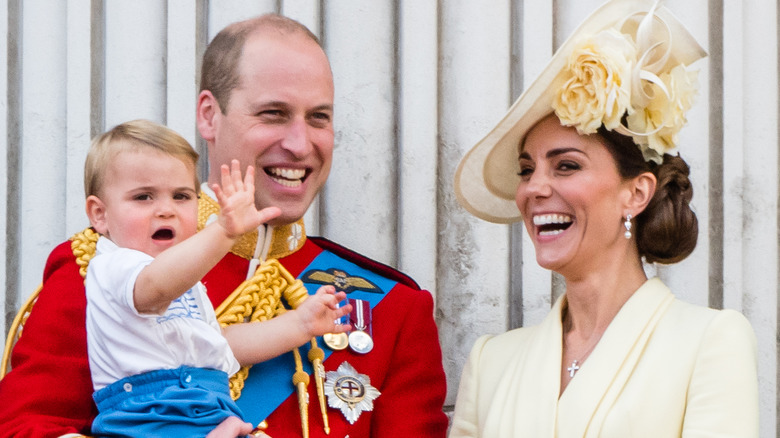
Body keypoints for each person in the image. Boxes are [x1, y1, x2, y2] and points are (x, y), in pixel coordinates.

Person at [0, 13, 448, 438]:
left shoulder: (391, 309)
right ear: (209, 115)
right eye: (273, 113)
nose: (300, 143)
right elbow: (24, 426)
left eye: (319, 117)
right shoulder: (103, 265)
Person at [449, 0, 759, 437]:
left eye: (566, 166)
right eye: (526, 170)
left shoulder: (709, 342)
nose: (534, 188)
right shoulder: (491, 362)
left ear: (635, 193)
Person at [82, 120, 350, 436]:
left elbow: (221, 344)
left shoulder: (187, 283)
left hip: (202, 409)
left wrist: (298, 325)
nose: (166, 210)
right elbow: (154, 286)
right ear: (100, 214)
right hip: (151, 415)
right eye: (143, 197)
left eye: (181, 196)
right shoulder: (114, 265)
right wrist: (223, 231)